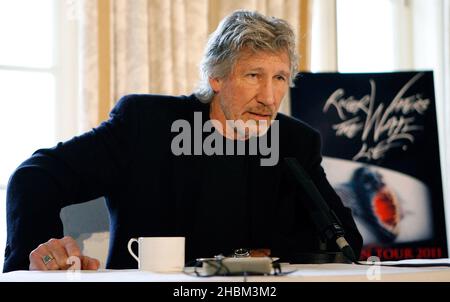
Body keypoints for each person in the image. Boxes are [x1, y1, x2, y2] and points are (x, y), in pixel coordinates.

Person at [3, 10, 362, 272]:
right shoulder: (148, 125)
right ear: (217, 78)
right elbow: (34, 177)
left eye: (280, 77)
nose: (269, 97)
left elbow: (346, 242)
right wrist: (36, 260)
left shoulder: (294, 142)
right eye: (254, 75)